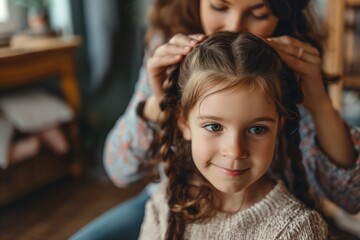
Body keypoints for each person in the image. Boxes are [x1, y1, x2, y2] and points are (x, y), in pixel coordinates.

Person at [71, 0, 360, 239]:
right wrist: (159, 106)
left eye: (258, 14)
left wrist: (319, 101)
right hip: (178, 205)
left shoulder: (290, 73)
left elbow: (352, 196)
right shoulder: (168, 56)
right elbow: (119, 171)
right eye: (220, 7)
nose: (235, 27)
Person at [139, 31, 328, 239]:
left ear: (279, 127)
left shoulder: (298, 229)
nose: (235, 151)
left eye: (257, 129)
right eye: (213, 127)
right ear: (184, 122)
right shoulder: (165, 202)